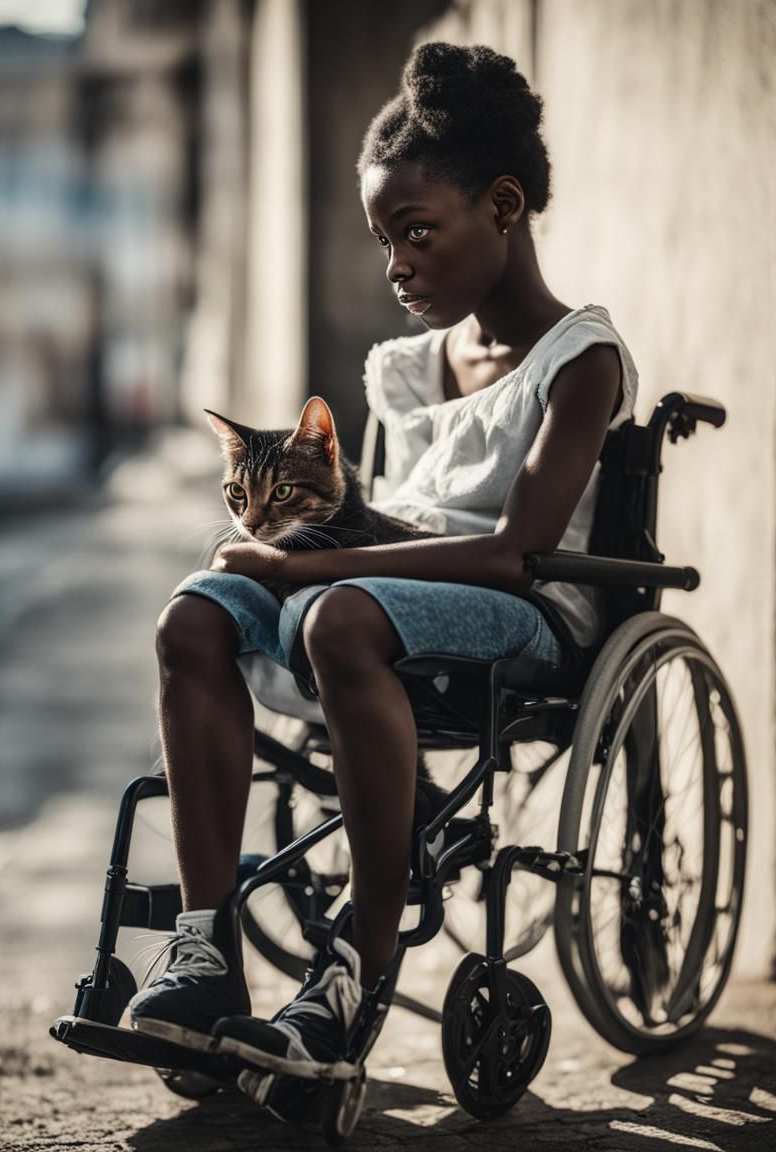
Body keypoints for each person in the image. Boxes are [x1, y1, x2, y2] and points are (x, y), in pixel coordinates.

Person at [127, 41, 638, 1082]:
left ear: (501, 206)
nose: (395, 264)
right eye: (381, 240)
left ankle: (353, 966)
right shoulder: (401, 368)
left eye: (415, 233)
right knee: (192, 618)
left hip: (526, 610)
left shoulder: (577, 361)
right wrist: (288, 557)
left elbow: (512, 554)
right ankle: (202, 947)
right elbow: (370, 517)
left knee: (334, 615)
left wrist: (302, 575)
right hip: (378, 592)